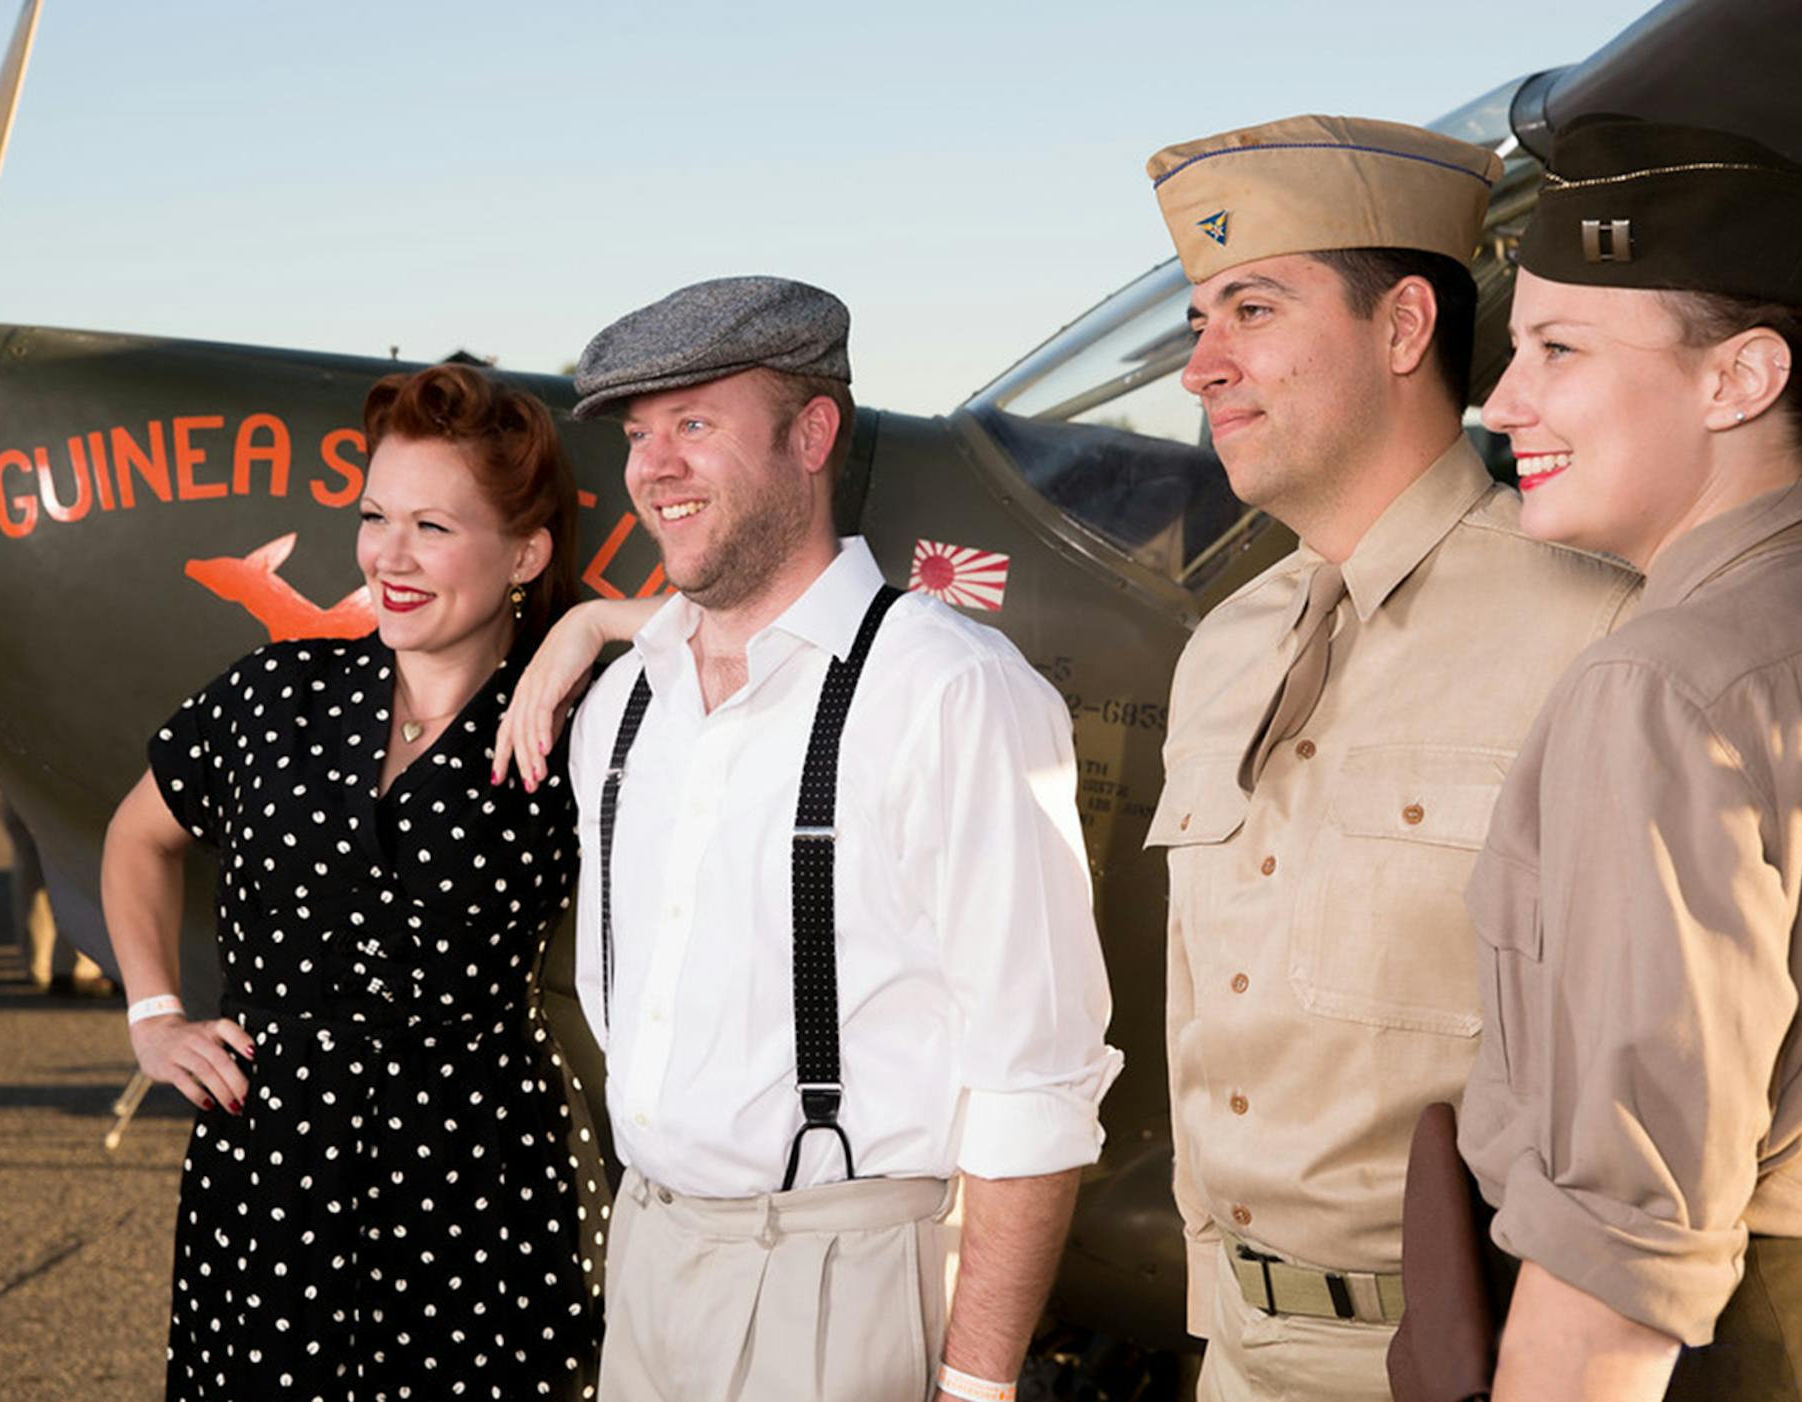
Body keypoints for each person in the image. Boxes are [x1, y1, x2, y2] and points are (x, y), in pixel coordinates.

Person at [1461, 116, 1802, 1401]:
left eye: (1558, 348)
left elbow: (1621, 1244)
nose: (1502, 400)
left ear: (1739, 379)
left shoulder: (1658, 687)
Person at [504, 274, 1121, 1402]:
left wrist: (976, 1388)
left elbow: (1036, 1080)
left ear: (813, 434)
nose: (653, 467)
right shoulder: (621, 707)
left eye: (695, 424)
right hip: (644, 1254)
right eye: (639, 434)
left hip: (836, 1282)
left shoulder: (950, 693)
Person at [1137, 114, 1641, 1401]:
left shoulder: (1606, 631)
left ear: (1406, 326)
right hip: (1238, 1351)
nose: (1200, 367)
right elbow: (1203, 1014)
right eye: (1198, 323)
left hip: (1466, 1358)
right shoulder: (1223, 650)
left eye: (1251, 310)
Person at [101, 363, 605, 1399]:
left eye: (433, 526)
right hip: (269, 1180)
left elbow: (744, 635)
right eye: (377, 517)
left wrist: (594, 628)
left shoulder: (585, 722)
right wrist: (155, 1015)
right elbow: (137, 837)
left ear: (526, 552)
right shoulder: (276, 692)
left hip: (480, 1187)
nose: (389, 555)